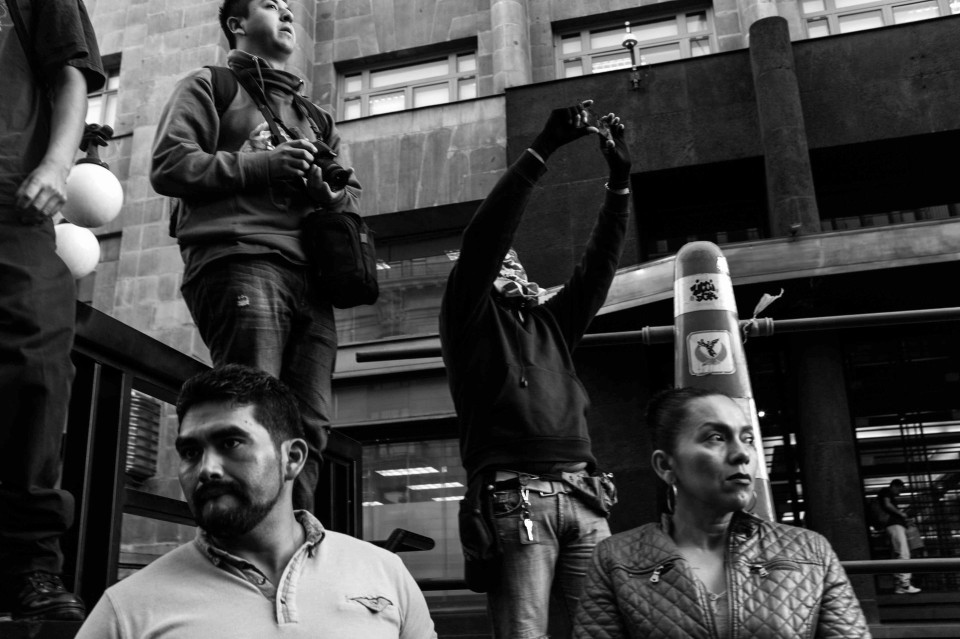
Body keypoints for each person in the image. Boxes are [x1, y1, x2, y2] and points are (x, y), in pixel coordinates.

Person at [151, 0, 361, 513]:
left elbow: (350, 199)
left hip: (311, 279)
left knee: (308, 427)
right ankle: (239, 541)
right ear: (237, 24)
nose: (287, 13)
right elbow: (170, 165)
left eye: (290, 7)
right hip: (239, 258)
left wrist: (327, 192)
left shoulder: (316, 117)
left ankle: (293, 540)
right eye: (270, 4)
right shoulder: (211, 84)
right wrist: (265, 165)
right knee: (249, 411)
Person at [439, 100, 631, 638]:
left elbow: (598, 268)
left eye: (517, 262)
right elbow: (485, 238)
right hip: (516, 498)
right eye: (503, 263)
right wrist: (542, 149)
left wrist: (619, 184)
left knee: (603, 632)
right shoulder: (469, 318)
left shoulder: (551, 324)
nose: (514, 267)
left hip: (585, 497)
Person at [76, 364, 436, 638]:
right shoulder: (127, 609)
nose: (207, 469)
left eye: (231, 443)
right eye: (190, 451)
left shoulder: (384, 573)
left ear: (292, 458)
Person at [572, 388, 871, 638]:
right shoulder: (617, 560)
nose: (742, 454)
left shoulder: (811, 553)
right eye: (716, 437)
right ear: (665, 465)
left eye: (748, 439)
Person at [0, 0, 104, 620]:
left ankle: (30, 565)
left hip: (12, 205)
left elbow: (71, 74)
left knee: (38, 362)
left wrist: (58, 164)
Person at [878, 478, 921, 594]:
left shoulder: (886, 493)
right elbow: (887, 504)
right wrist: (901, 514)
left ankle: (899, 585)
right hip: (894, 525)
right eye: (900, 489)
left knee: (897, 554)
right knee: (903, 553)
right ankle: (905, 584)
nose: (900, 493)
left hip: (893, 526)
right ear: (895, 486)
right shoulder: (886, 492)